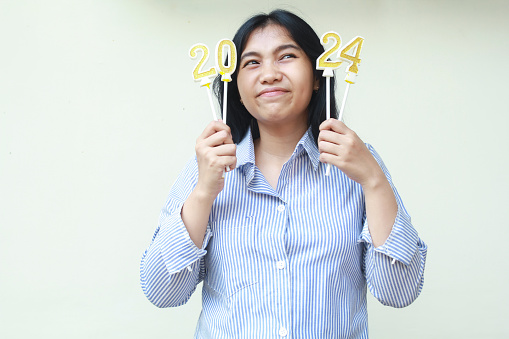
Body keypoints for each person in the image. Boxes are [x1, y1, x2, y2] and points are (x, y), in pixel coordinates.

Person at [140, 9, 427, 339]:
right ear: (235, 84)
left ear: (318, 74)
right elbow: (163, 292)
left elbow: (399, 292)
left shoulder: (360, 166)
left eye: (286, 56)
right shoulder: (207, 167)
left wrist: (374, 181)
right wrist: (204, 191)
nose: (269, 74)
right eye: (251, 63)